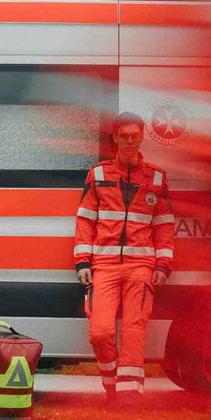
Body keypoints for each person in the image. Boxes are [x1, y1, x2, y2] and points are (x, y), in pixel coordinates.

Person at [73, 112, 175, 402]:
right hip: (103, 266)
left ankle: (128, 399)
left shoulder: (157, 177)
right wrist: (82, 261)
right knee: (100, 332)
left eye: (135, 136)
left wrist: (163, 264)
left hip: (141, 267)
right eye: (124, 136)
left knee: (134, 331)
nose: (130, 141)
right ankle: (112, 384)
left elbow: (165, 225)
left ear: (142, 136)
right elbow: (85, 221)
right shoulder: (99, 174)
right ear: (115, 138)